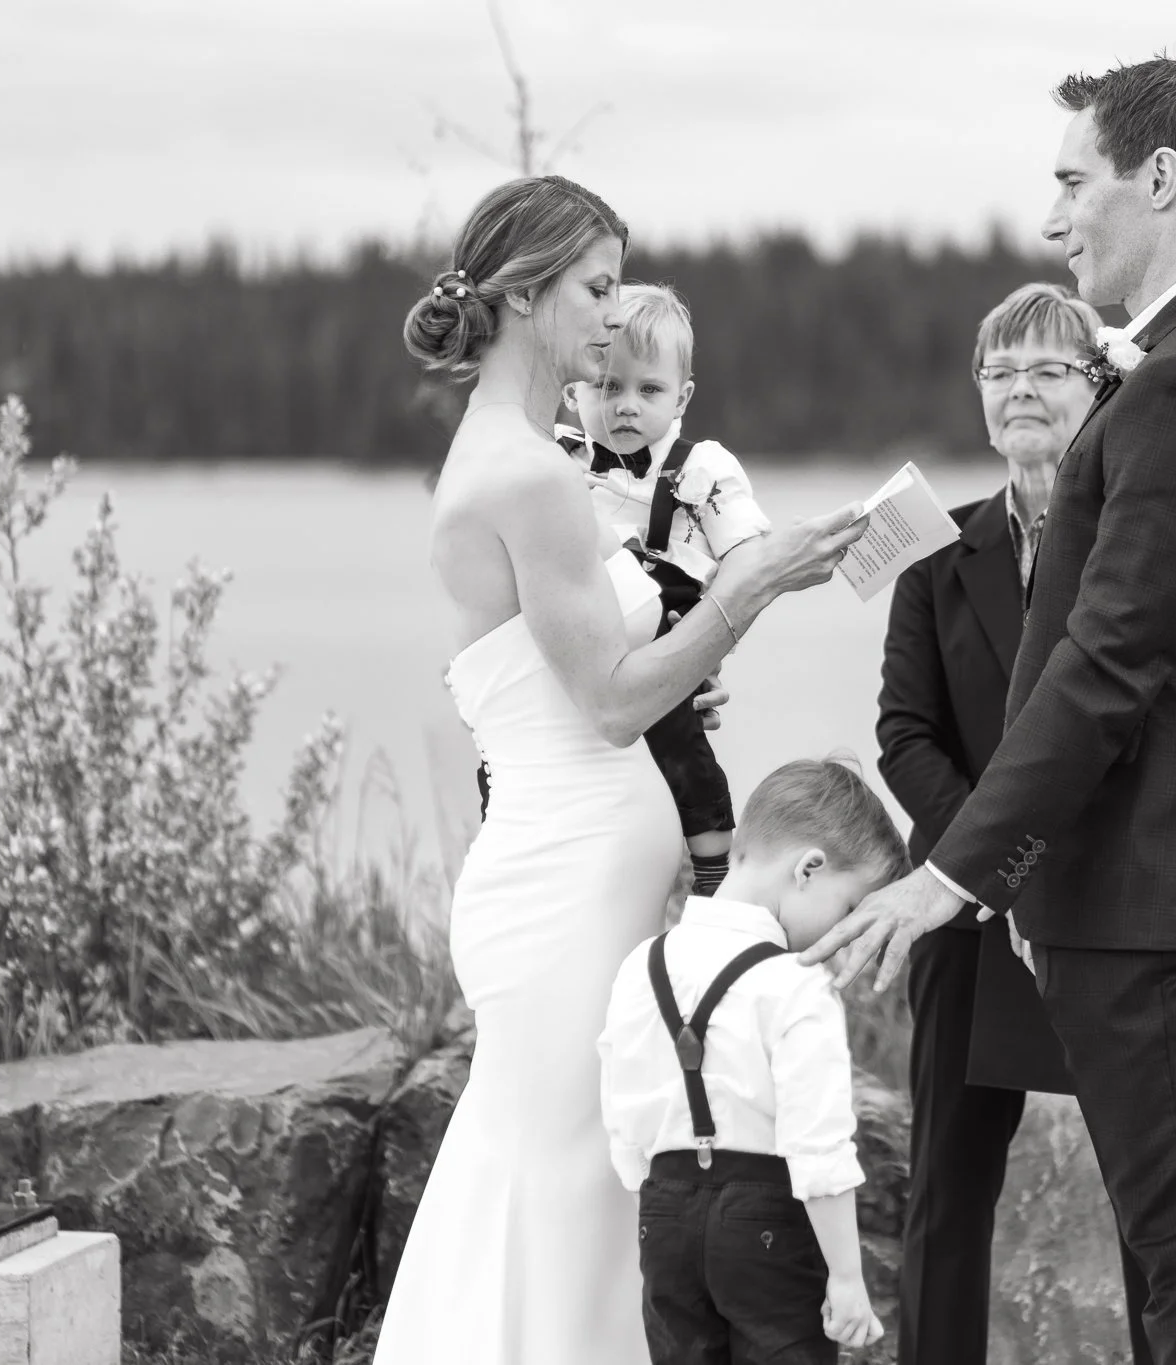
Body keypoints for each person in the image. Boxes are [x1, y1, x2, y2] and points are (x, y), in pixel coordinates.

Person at [809, 52, 1176, 1365]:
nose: (1054, 220)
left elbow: (1106, 661)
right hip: (1165, 883)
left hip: (1139, 892)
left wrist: (956, 876)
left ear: (1159, 178)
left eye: (1072, 182)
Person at [376, 174, 869, 1365]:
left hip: (587, 878)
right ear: (528, 294)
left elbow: (601, 669)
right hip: (560, 888)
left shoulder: (528, 457)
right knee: (554, 1184)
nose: (612, 314)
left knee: (582, 1183)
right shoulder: (527, 474)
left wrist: (686, 651)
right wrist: (746, 593)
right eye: (595, 288)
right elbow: (606, 705)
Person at [874, 280, 1094, 1365]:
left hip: (1102, 907)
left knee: (1155, 1192)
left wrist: (1038, 873)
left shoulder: (1130, 547)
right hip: (963, 919)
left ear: (1095, 389)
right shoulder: (928, 556)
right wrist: (986, 870)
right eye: (998, 372)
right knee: (947, 1194)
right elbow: (904, 736)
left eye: (1046, 370)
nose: (1018, 391)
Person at [598, 757, 903, 1363]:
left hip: (663, 1216)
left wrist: (666, 1197)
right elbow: (819, 1146)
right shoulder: (794, 983)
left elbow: (622, 1118)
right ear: (809, 869)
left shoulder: (643, 964)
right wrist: (845, 1278)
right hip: (766, 1222)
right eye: (848, 911)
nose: (845, 939)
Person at [560, 282, 771, 895]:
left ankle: (711, 859)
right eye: (608, 386)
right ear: (573, 389)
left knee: (680, 739)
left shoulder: (700, 466)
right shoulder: (557, 460)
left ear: (683, 396)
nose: (626, 406)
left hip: (668, 621)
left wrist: (709, 636)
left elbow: (748, 557)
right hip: (579, 626)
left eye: (648, 390)